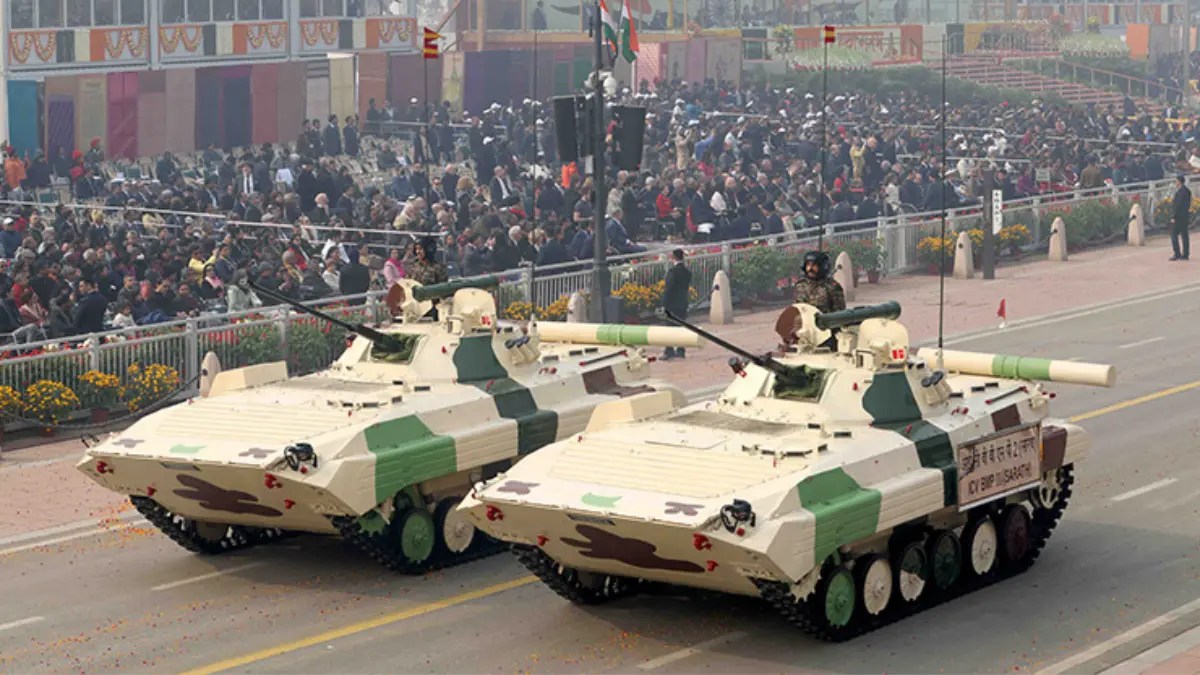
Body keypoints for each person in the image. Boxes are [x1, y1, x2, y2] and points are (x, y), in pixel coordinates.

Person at [661, 248, 692, 360]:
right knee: (681, 327)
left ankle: (669, 351)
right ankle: (681, 350)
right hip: (683, 303)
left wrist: (664, 303)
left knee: (669, 328)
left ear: (673, 257)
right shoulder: (687, 272)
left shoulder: (673, 272)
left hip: (672, 304)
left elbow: (668, 289)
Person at [1171, 174, 1191, 261]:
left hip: (1179, 217)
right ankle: (1185, 254)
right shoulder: (1187, 191)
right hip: (1185, 216)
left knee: (1174, 235)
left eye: (1176, 181)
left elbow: (1178, 205)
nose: (1175, 183)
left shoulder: (1181, 192)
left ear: (1179, 181)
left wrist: (1174, 216)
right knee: (1184, 235)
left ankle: (1177, 253)